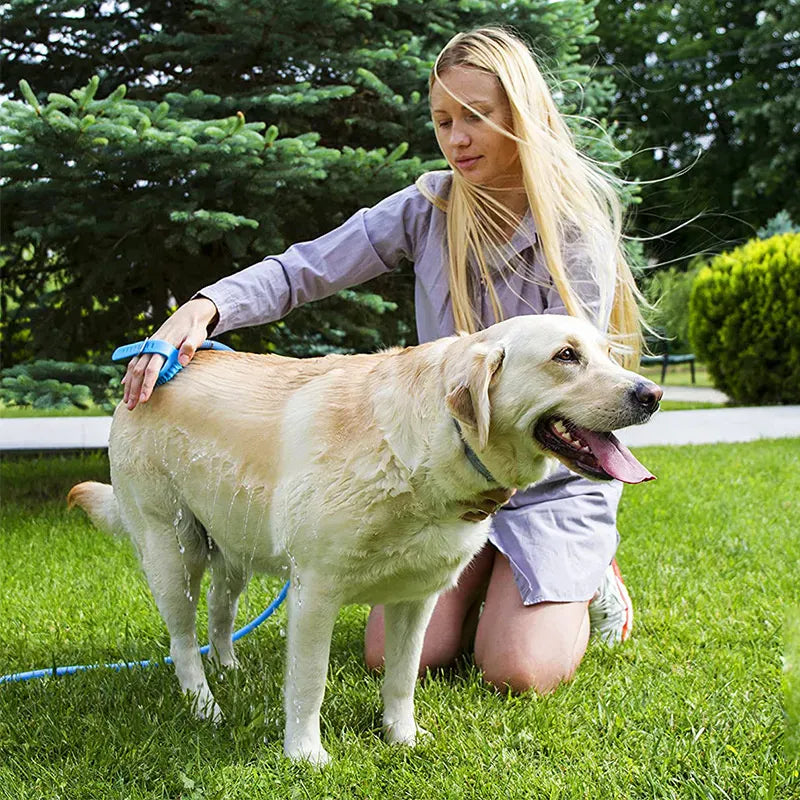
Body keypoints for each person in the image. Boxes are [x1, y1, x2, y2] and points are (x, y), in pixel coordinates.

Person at [122, 26, 644, 695]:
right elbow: (305, 269)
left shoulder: (575, 233)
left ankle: (594, 577)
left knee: (517, 671)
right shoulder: (428, 207)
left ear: (524, 114)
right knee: (400, 658)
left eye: (477, 117)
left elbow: (579, 394)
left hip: (541, 486)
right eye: (443, 120)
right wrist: (204, 308)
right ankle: (485, 577)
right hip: (440, 480)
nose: (456, 138)